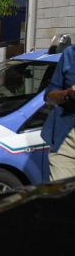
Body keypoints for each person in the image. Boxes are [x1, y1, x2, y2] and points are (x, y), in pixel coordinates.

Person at [41, 42, 75, 181]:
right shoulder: (70, 54)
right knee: (62, 198)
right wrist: (68, 93)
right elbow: (49, 96)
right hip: (66, 142)